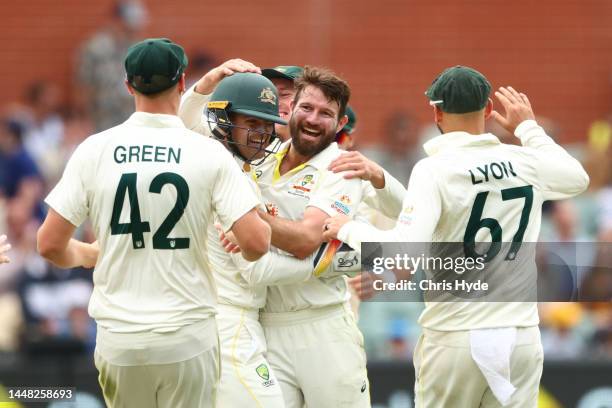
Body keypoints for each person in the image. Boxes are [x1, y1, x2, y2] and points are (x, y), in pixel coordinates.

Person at [322, 66, 590, 407]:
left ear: (436, 111)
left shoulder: (434, 169)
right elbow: (577, 178)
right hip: (519, 336)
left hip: (457, 336)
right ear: (490, 110)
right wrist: (528, 127)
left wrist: (345, 227)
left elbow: (403, 252)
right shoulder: (524, 159)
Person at [37, 38, 271, 408]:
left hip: (119, 340)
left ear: (128, 85)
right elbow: (257, 244)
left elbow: (49, 244)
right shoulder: (209, 152)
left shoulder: (94, 149)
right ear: (181, 83)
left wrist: (87, 254)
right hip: (187, 336)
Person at [180, 61, 325, 407]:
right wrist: (323, 264)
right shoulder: (222, 165)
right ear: (223, 120)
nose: (261, 134)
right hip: (229, 322)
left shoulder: (231, 163)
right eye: (251, 123)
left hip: (230, 321)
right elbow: (256, 269)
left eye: (266, 124)